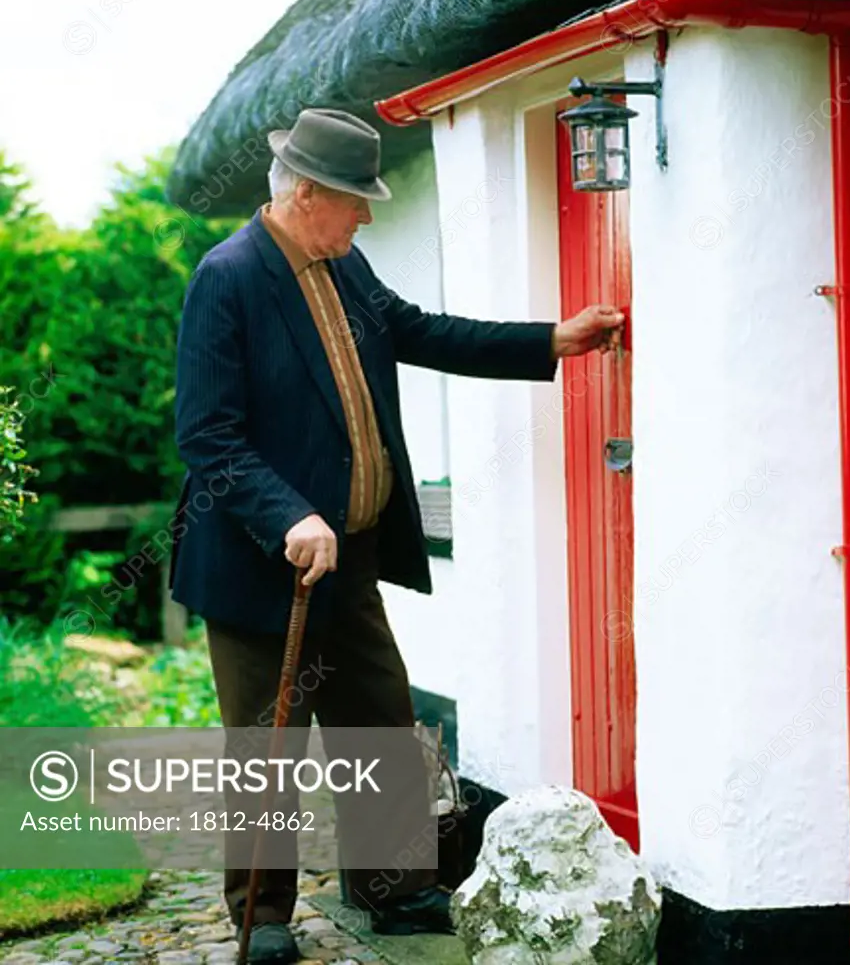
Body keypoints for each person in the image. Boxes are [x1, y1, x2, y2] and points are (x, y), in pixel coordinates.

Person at [170, 107, 623, 964]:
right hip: (263, 568)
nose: (367, 216)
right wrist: (289, 515)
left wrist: (550, 341)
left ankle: (392, 889)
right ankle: (263, 917)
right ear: (308, 195)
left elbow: (419, 330)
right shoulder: (226, 279)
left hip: (352, 559)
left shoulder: (345, 266)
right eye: (355, 201)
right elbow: (207, 435)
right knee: (266, 749)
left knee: (376, 723)